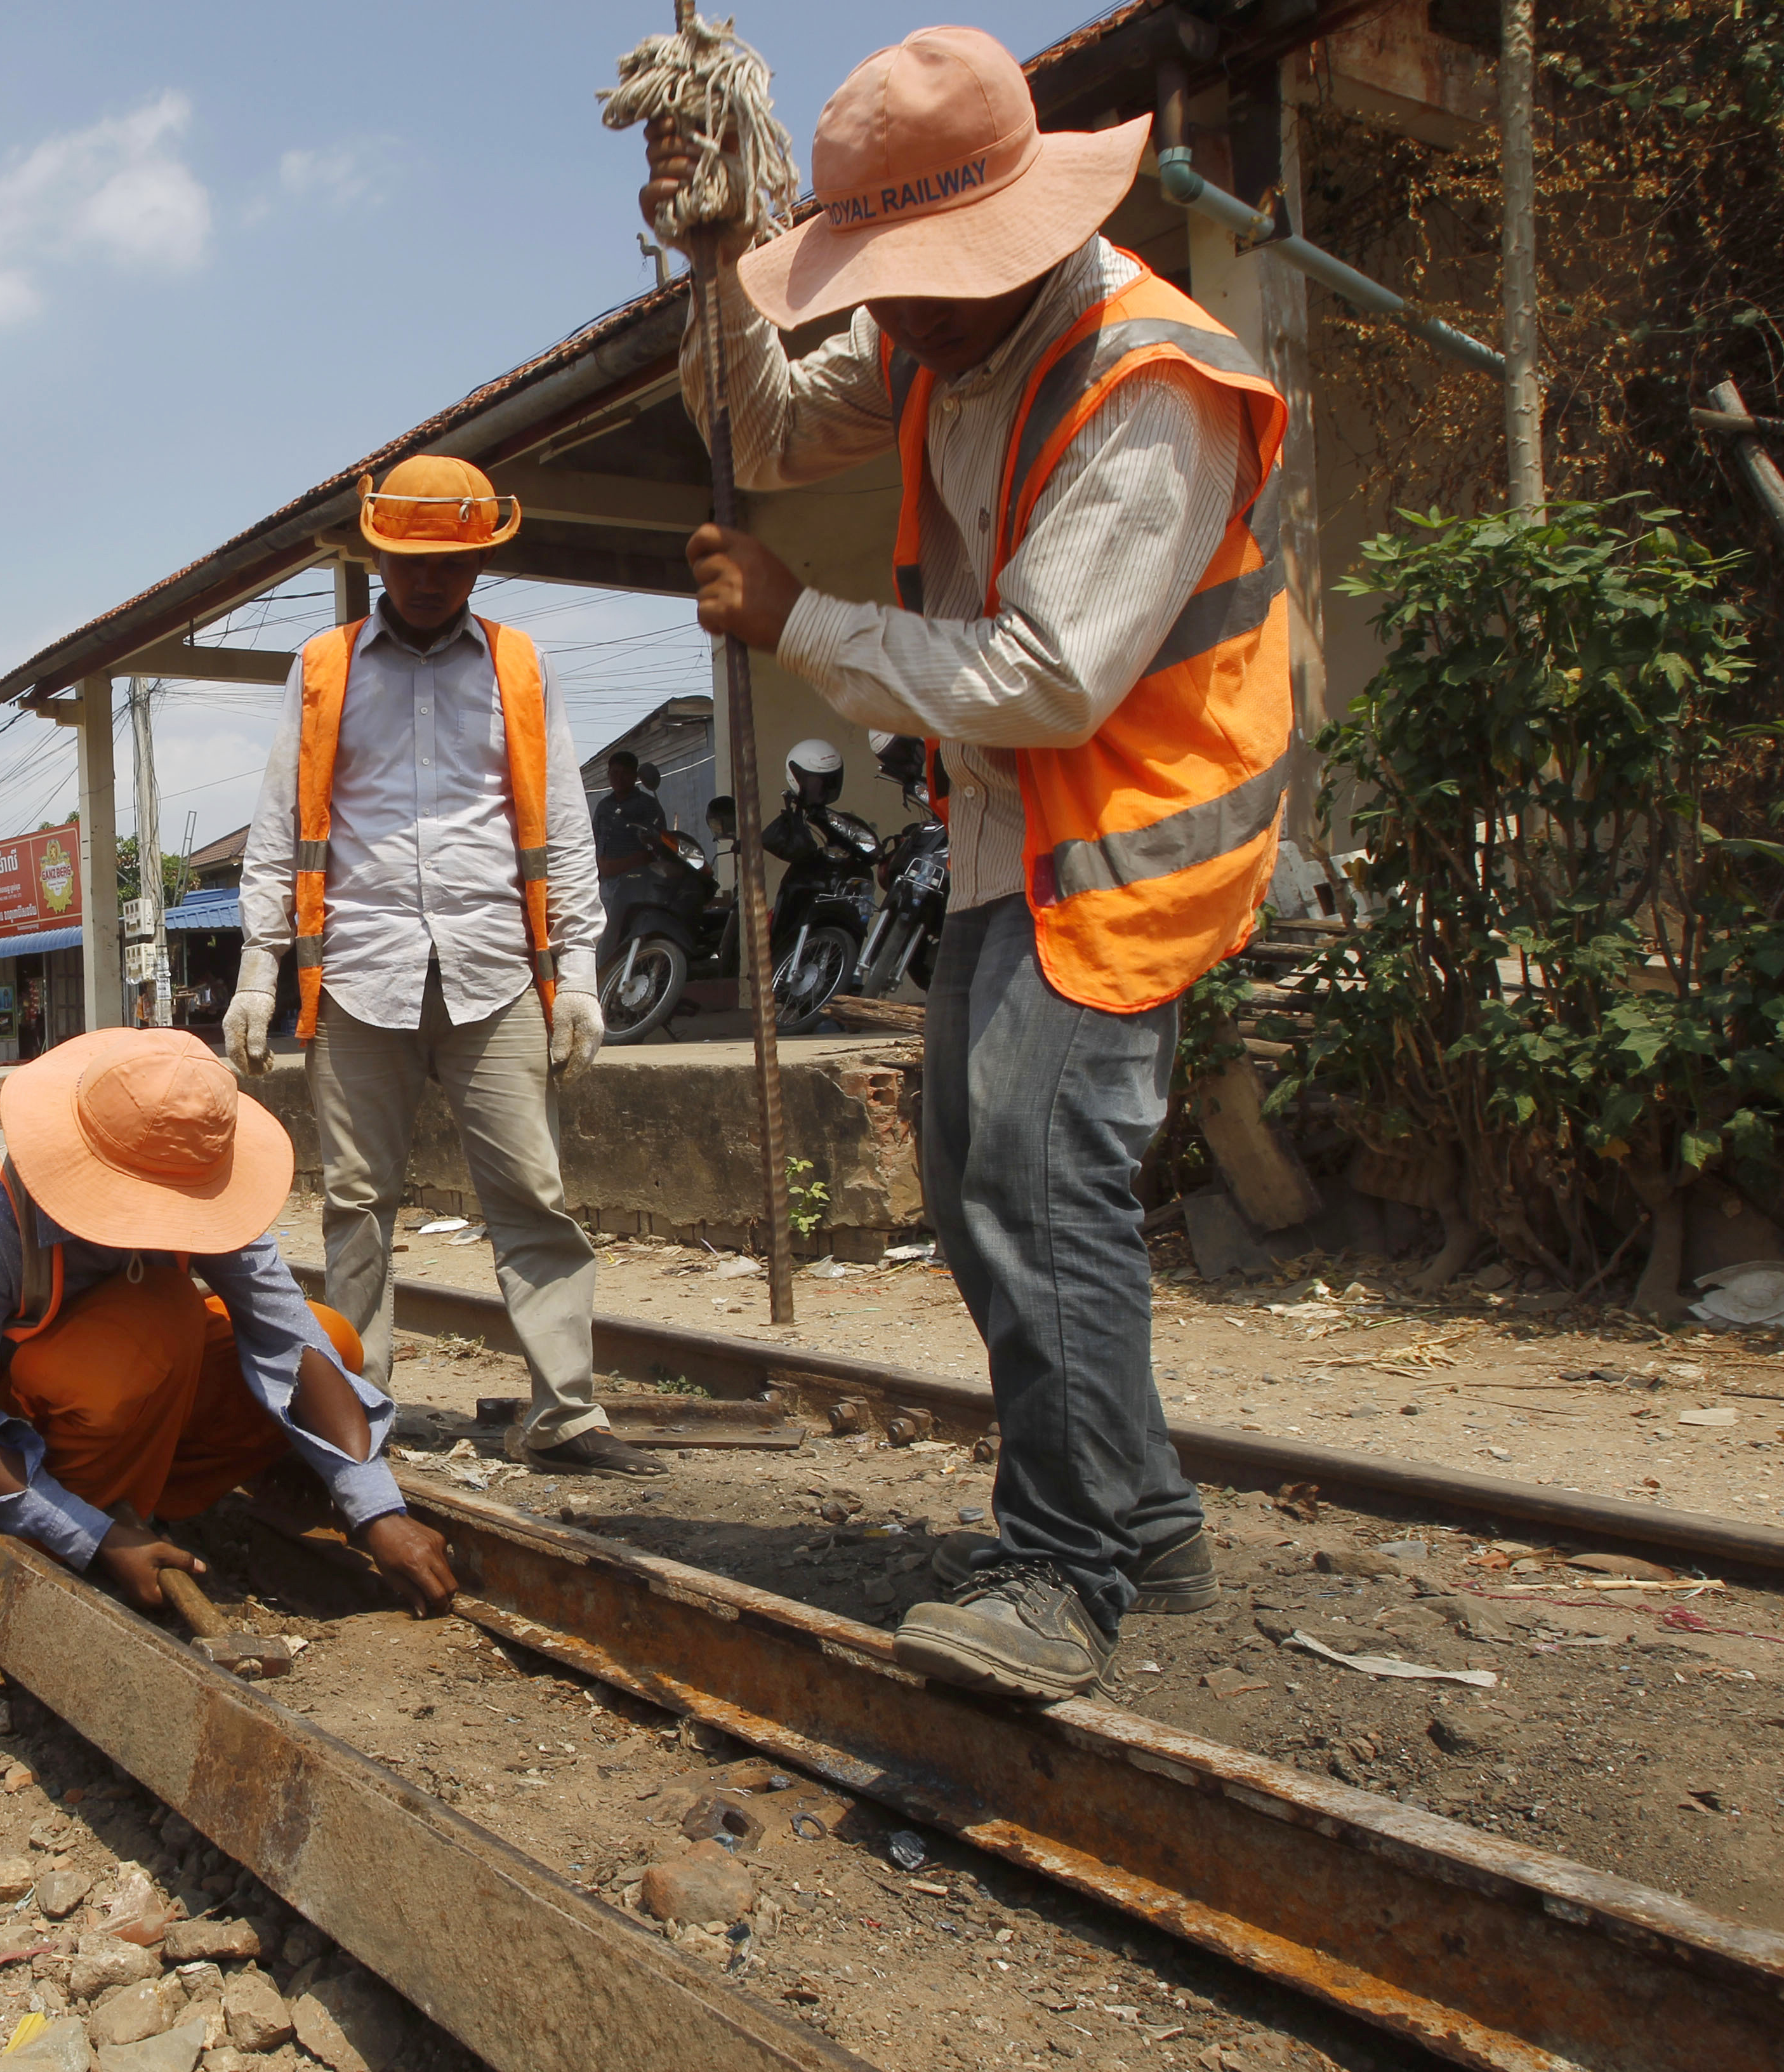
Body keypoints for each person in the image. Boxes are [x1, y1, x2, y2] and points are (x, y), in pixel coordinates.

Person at [644, 25, 1288, 1697]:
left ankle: (1063, 1577)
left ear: (1003, 235)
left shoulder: (1149, 383)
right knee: (971, 1170)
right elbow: (767, 424)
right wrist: (712, 268)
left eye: (909, 273)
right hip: (1019, 831)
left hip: (1128, 836)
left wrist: (800, 620)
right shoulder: (952, 341)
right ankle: (1142, 1526)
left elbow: (1048, 677)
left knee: (1033, 1179)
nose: (889, 311)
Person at [224, 456, 659, 1478]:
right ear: (379, 553)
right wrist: (259, 968)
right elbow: (281, 824)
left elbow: (559, 820)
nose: (429, 581)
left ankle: (566, 1412)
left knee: (531, 1195)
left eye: (452, 563)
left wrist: (582, 970)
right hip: (361, 970)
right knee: (358, 1203)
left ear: (479, 562)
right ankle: (359, 1410)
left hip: (496, 969)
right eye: (413, 562)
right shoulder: (325, 667)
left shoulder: (520, 665)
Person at [0, 1027, 459, 1614]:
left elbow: (289, 1333)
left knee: (331, 1338)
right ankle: (84, 1511)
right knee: (159, 1317)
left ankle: (143, 1497)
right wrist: (94, 1538)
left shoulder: (193, 1174)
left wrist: (378, 1510)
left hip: (108, 1403)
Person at [591, 750, 672, 880]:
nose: (619, 778)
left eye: (625, 773)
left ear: (635, 776)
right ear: (608, 775)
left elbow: (659, 845)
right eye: (615, 773)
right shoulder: (603, 806)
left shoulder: (648, 805)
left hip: (635, 879)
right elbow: (594, 838)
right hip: (603, 881)